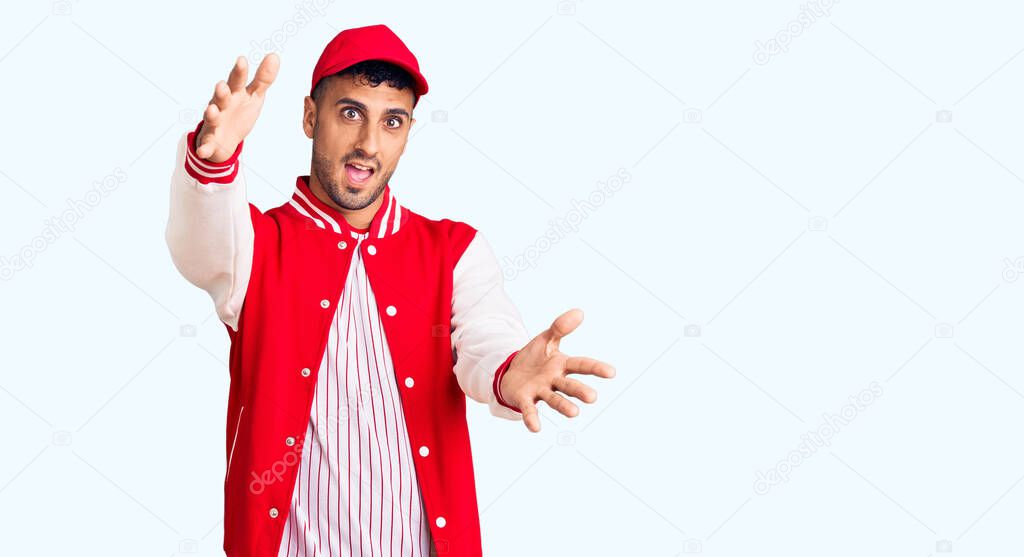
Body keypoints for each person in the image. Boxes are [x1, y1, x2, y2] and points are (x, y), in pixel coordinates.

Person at [165, 23, 616, 557]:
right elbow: (201, 246)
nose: (368, 144)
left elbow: (486, 341)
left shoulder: (454, 250)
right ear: (311, 117)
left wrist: (507, 370)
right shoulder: (259, 245)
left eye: (392, 121)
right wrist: (213, 162)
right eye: (350, 112)